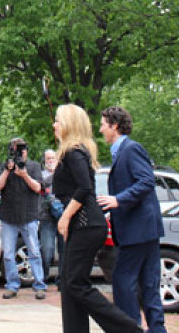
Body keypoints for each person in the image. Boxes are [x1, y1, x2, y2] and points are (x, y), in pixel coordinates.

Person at [52, 104, 142, 333]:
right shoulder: (71, 152)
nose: (54, 125)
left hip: (86, 225)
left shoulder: (74, 152)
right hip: (82, 225)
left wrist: (65, 216)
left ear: (69, 124)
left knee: (75, 283)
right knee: (69, 283)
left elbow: (83, 189)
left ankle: (129, 329)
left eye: (58, 121)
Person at [96, 106, 165, 333]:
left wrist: (118, 200)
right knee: (148, 285)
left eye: (103, 124)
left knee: (122, 280)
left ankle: (130, 327)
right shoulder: (121, 151)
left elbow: (146, 181)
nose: (100, 129)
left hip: (138, 230)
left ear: (114, 126)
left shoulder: (131, 149)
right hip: (144, 230)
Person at [0, 137, 47, 299]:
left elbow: (38, 187)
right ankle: (12, 285)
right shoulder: (5, 166)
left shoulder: (34, 167)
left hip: (29, 214)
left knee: (34, 252)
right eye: (15, 150)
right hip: (8, 215)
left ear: (26, 151)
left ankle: (39, 285)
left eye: (21, 150)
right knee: (8, 254)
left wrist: (24, 175)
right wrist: (7, 171)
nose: (18, 153)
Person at [38, 148, 63, 284]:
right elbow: (39, 187)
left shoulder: (63, 174)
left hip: (63, 216)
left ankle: (61, 280)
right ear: (44, 161)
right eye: (48, 159)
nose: (51, 161)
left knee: (64, 249)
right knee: (47, 250)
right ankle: (44, 277)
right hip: (46, 216)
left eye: (53, 158)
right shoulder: (41, 175)